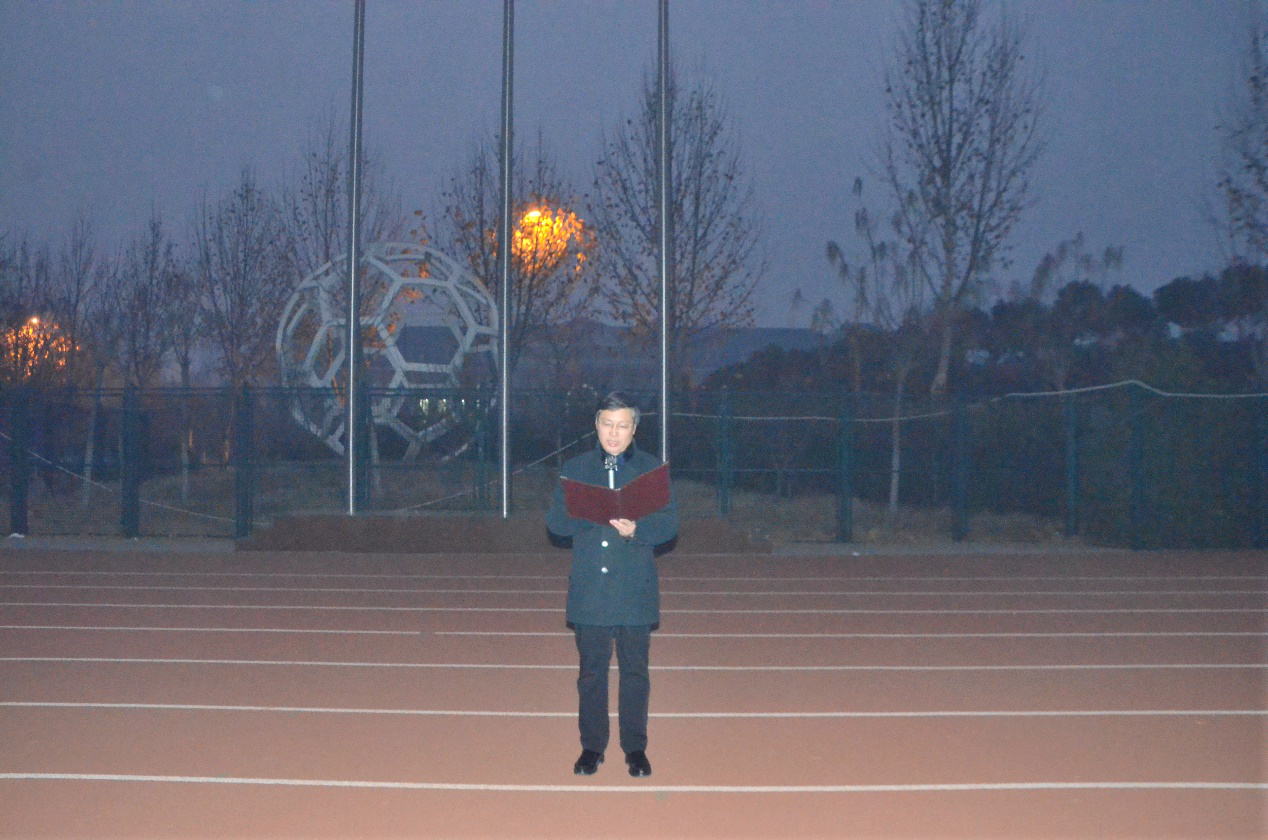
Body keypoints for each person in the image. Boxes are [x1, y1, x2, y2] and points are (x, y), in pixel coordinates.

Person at [546, 391, 678, 778]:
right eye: (607, 424)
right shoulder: (575, 468)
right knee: (591, 674)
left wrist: (637, 529)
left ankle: (635, 749)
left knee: (635, 674)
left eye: (622, 426)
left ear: (634, 429)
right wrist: (588, 512)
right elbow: (555, 524)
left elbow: (669, 525)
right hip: (590, 590)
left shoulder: (651, 470)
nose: (614, 433)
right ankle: (592, 747)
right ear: (596, 425)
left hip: (634, 589)